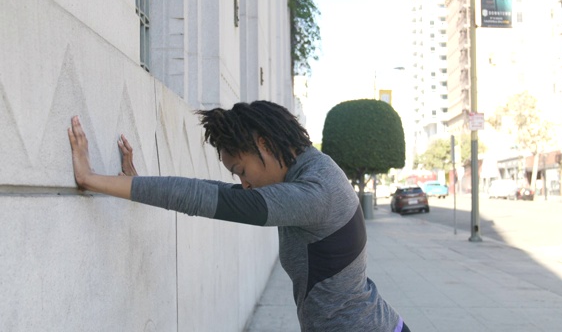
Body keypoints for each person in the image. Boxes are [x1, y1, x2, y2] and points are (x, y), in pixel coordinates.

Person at [68, 100, 411, 332]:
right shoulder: (309, 171)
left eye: (242, 170)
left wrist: (91, 179)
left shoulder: (314, 192)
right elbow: (216, 192)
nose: (244, 184)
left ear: (263, 143)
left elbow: (206, 198)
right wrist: (133, 184)